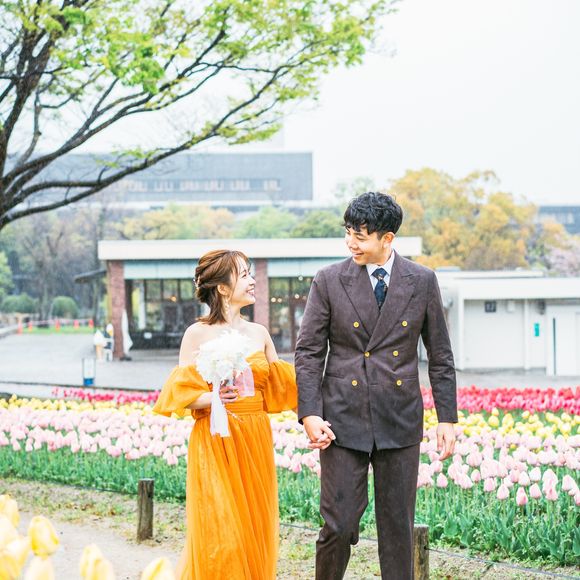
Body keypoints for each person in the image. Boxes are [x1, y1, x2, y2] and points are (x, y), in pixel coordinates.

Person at [295, 192, 457, 579]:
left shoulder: (422, 281)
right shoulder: (329, 280)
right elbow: (309, 351)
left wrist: (447, 418)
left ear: (387, 239)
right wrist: (310, 413)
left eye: (361, 236)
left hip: (398, 418)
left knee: (398, 529)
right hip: (341, 419)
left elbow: (440, 354)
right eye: (348, 232)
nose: (351, 242)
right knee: (338, 524)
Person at [152, 250, 297, 579]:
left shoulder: (259, 332)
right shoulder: (196, 333)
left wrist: (315, 419)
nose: (252, 280)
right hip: (215, 439)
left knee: (252, 526)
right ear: (222, 287)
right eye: (244, 274)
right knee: (221, 532)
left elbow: (284, 388)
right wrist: (213, 397)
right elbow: (182, 393)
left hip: (255, 439)